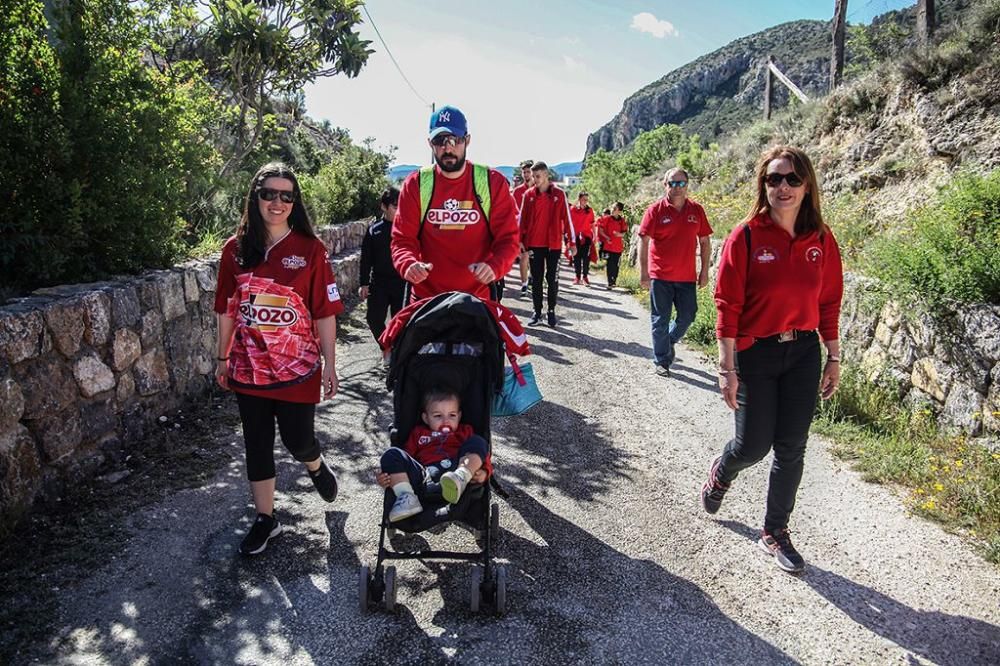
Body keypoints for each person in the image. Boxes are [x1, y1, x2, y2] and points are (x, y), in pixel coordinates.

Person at [703, 146, 844, 574]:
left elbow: (829, 302)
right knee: (753, 445)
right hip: (755, 353)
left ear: (807, 186)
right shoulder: (746, 235)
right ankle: (722, 471)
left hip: (802, 351)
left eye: (792, 179)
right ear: (763, 185)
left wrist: (833, 356)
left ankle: (775, 530)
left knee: (791, 447)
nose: (782, 187)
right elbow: (726, 304)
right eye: (773, 179)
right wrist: (727, 368)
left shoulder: (821, 238)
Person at [214, 162, 342, 556]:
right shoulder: (234, 251)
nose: (278, 202)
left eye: (287, 195)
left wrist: (331, 364)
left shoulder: (310, 250)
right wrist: (221, 357)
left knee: (297, 439)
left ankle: (315, 465)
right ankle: (266, 519)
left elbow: (324, 311)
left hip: (298, 369)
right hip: (248, 367)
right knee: (257, 442)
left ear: (295, 202)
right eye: (269, 193)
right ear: (255, 197)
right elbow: (226, 308)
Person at [391, 105, 519, 303]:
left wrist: (495, 266)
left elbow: (508, 239)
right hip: (426, 301)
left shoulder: (492, 182)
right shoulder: (416, 184)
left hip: (476, 302)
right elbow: (402, 240)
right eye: (439, 141)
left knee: (513, 334)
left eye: (454, 140)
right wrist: (408, 264)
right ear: (430, 144)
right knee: (391, 335)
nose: (447, 148)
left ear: (467, 140)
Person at [638, 168, 713, 377]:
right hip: (660, 276)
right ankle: (662, 360)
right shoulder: (655, 210)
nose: (677, 187)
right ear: (665, 185)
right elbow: (643, 240)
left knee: (688, 316)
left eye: (681, 183)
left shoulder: (696, 210)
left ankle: (668, 341)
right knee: (660, 319)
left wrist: (704, 271)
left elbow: (705, 241)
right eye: (672, 183)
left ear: (687, 185)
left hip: (686, 276)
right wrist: (644, 273)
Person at [376, 389, 490, 521]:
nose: (446, 421)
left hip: (457, 472)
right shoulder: (419, 433)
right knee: (392, 454)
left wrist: (484, 472)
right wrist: (389, 476)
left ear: (459, 416)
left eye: (452, 415)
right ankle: (406, 497)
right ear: (426, 418)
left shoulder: (464, 432)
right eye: (438, 416)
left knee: (478, 442)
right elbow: (405, 459)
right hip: (425, 479)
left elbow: (481, 456)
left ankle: (463, 475)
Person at [519, 161, 576, 327]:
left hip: (554, 246)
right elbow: (522, 220)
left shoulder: (559, 194)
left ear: (546, 175)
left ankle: (551, 311)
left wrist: (571, 242)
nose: (534, 179)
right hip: (534, 244)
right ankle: (537, 312)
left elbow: (567, 219)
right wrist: (520, 241)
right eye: (533, 176)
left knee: (552, 279)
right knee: (536, 280)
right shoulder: (529, 195)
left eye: (537, 176)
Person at [359, 187, 406, 342]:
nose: (399, 211)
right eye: (395, 207)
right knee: (374, 319)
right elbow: (366, 258)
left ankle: (398, 354)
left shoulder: (408, 229)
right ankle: (386, 347)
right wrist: (364, 283)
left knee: (402, 321)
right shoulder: (374, 230)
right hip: (379, 283)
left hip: (403, 283)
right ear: (384, 207)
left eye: (401, 206)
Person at [511, 159, 534, 296]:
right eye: (524, 172)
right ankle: (524, 284)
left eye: (528, 172)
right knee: (524, 256)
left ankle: (533, 277)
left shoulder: (539, 189)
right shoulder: (517, 192)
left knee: (537, 259)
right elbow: (512, 211)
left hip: (537, 229)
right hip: (522, 230)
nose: (526, 174)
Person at [569, 191, 596, 286]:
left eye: (587, 200)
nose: (585, 201)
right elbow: (569, 223)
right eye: (584, 199)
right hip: (575, 237)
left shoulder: (590, 211)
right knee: (576, 257)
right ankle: (577, 277)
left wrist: (595, 236)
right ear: (579, 199)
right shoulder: (572, 209)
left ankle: (585, 277)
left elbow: (592, 224)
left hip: (587, 236)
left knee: (586, 258)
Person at [599, 202, 628, 289]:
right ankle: (610, 282)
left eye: (615, 208)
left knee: (616, 265)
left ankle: (614, 280)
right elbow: (600, 230)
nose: (613, 210)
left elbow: (624, 233)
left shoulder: (622, 220)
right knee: (609, 264)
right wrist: (607, 237)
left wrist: (619, 234)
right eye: (612, 208)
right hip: (608, 246)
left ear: (619, 211)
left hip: (618, 247)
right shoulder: (607, 219)